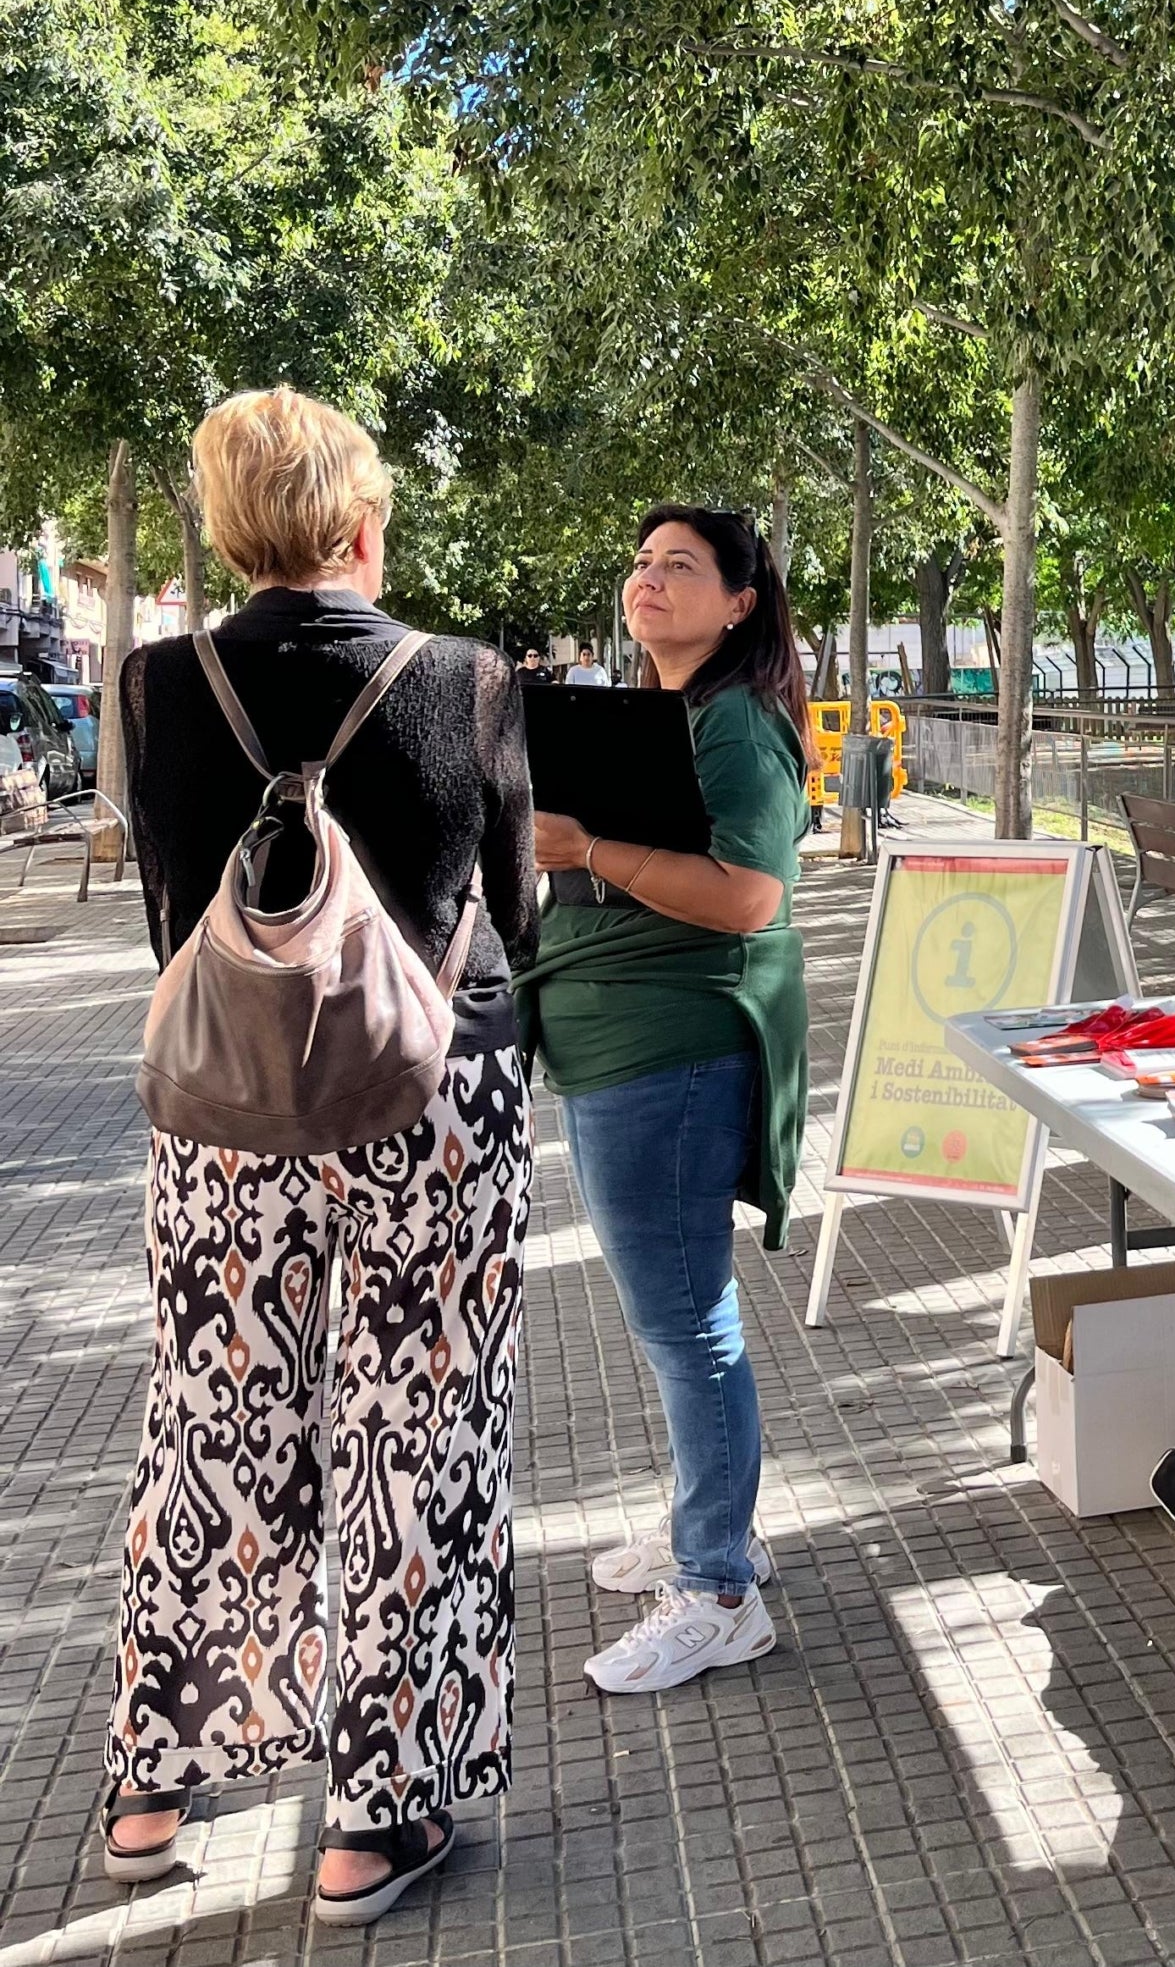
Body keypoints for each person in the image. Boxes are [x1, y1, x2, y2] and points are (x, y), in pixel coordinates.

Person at [105, 388, 538, 1922]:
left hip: (222, 1114)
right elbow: (514, 903)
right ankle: (373, 1815)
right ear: (364, 523)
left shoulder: (157, 685)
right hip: (432, 1102)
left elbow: (173, 907)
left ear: (230, 529)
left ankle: (157, 1782)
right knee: (416, 1440)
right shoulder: (464, 678)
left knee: (215, 1422)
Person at [517, 505, 810, 1692]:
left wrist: (585, 851)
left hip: (671, 1055)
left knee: (687, 1320)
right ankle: (711, 1525)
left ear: (739, 602)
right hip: (618, 1046)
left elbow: (751, 897)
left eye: (679, 567)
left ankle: (718, 1589)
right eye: (639, 561)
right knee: (671, 1317)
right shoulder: (665, 711)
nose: (649, 579)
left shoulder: (734, 722)